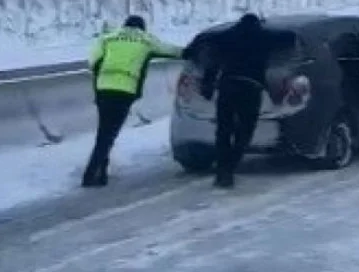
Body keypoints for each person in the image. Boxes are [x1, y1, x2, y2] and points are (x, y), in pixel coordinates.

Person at [183, 13, 297, 188]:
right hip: (250, 88)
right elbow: (290, 37)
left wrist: (190, 54)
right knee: (245, 131)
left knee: (223, 131)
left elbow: (206, 42)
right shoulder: (264, 36)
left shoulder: (226, 35)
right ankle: (231, 165)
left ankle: (223, 171)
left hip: (227, 87)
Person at [82, 15, 182, 187]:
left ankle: (100, 174)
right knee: (108, 134)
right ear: (142, 28)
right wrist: (195, 49)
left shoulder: (108, 37)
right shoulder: (145, 40)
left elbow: (92, 61)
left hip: (103, 89)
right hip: (124, 91)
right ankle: (90, 175)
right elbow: (172, 51)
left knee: (104, 132)